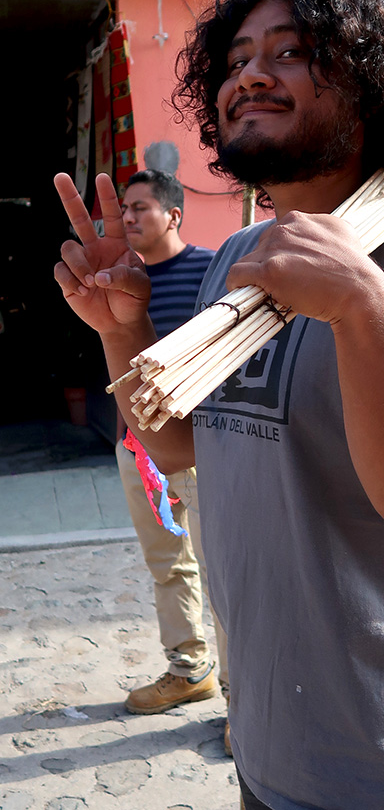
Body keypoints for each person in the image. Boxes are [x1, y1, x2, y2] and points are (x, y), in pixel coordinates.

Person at [54, 0, 384, 810]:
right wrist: (122, 331)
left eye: (291, 52)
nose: (250, 76)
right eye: (235, 61)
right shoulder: (238, 257)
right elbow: (183, 446)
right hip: (270, 749)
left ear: (372, 84)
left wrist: (361, 306)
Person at [111, 169, 229, 722]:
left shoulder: (213, 271)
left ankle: (241, 696)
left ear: (173, 214)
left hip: (203, 449)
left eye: (140, 207)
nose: (128, 217)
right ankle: (189, 669)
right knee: (167, 565)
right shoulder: (118, 281)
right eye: (124, 209)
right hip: (137, 449)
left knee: (223, 568)